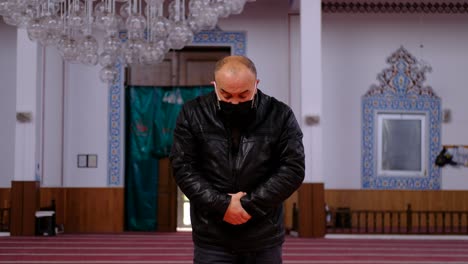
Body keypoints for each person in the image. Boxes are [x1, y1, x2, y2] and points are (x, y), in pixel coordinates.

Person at [170, 55, 305, 264]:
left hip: (263, 234)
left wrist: (248, 206)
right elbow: (183, 167)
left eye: (243, 95)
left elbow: (293, 168)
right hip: (212, 235)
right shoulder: (192, 113)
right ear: (214, 85)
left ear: (256, 84)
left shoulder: (280, 114)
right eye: (226, 95)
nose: (234, 102)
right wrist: (222, 205)